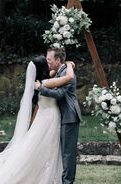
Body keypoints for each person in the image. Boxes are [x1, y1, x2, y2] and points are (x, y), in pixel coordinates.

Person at [0, 55, 75, 184]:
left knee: (44, 146)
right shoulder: (45, 83)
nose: (50, 65)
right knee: (48, 147)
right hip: (49, 118)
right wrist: (69, 65)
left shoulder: (40, 81)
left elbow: (52, 74)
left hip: (44, 118)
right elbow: (69, 78)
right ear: (44, 68)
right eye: (47, 63)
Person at [35, 48, 82, 184]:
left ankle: (67, 182)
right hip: (62, 116)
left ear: (57, 60)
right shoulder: (58, 71)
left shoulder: (67, 73)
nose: (47, 61)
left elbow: (59, 94)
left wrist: (40, 88)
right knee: (62, 152)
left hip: (69, 116)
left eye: (49, 59)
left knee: (68, 153)